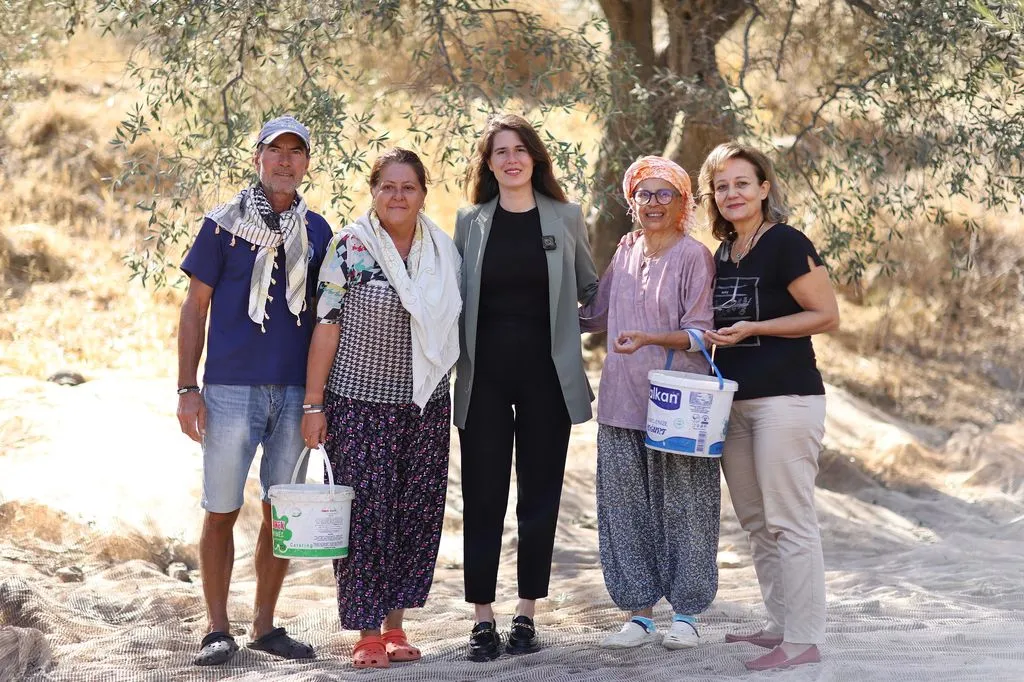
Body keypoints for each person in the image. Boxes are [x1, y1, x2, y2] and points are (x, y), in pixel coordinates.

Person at [176, 115, 332, 666]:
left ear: (307, 163)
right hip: (229, 389)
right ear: (257, 158)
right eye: (275, 150)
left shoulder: (318, 232)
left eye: (297, 152)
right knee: (221, 507)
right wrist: (186, 387)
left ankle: (265, 626)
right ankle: (217, 628)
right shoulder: (222, 226)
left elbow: (323, 318)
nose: (286, 160)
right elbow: (195, 309)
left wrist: (319, 398)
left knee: (280, 511)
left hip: (294, 392)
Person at [301, 148, 461, 670]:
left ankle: (395, 626)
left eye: (408, 187)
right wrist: (313, 403)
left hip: (425, 404)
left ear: (422, 193)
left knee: (413, 513)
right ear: (373, 191)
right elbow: (327, 325)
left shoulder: (442, 250)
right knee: (367, 518)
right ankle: (367, 632)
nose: (398, 196)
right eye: (388, 186)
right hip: (359, 405)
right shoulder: (350, 247)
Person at [453, 113, 599, 660]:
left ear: (534, 157)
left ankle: (526, 613)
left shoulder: (565, 216)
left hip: (547, 379)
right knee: (483, 497)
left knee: (539, 497)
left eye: (520, 149)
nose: (511, 159)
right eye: (499, 152)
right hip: (483, 378)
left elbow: (590, 286)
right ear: (489, 165)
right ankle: (482, 617)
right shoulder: (471, 222)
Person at [697, 142, 839, 671]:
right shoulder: (723, 253)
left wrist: (756, 327)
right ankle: (781, 624)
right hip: (735, 405)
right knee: (757, 521)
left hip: (787, 400)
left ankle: (803, 640)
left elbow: (826, 315)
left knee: (789, 518)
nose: (732, 193)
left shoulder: (785, 243)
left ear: (763, 188)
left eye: (742, 183)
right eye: (722, 185)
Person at [579, 156, 719, 651]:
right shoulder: (625, 251)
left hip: (677, 405)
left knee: (686, 509)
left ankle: (686, 614)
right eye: (645, 194)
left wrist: (649, 339)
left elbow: (703, 333)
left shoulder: (694, 256)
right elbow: (596, 315)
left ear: (684, 202)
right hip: (620, 402)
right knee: (624, 510)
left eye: (665, 194)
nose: (654, 203)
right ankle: (639, 616)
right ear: (632, 202)